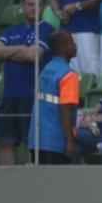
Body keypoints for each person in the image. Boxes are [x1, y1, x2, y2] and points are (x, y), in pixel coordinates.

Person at [0, 0, 52, 165]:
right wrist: (23, 50)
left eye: (37, 4)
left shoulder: (47, 29)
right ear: (23, 6)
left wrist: (8, 53)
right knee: (5, 142)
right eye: (30, 4)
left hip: (31, 96)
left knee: (32, 144)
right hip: (9, 96)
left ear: (44, 7)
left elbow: (34, 55)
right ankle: (5, 185)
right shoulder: (11, 30)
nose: (33, 8)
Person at [30, 29, 81, 163]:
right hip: (56, 141)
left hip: (36, 139)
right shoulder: (69, 75)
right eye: (71, 43)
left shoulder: (45, 70)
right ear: (63, 48)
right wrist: (69, 141)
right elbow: (66, 109)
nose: (75, 46)